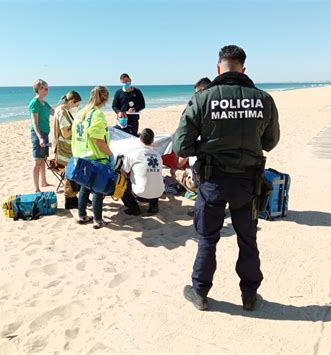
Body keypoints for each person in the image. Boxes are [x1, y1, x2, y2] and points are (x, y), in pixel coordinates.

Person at [173, 45, 280, 311]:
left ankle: (200, 291)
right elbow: (270, 142)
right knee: (247, 239)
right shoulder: (263, 99)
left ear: (219, 68)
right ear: (243, 68)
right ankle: (249, 294)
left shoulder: (203, 98)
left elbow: (181, 146)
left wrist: (206, 147)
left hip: (213, 181)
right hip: (248, 183)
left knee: (208, 238)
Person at [71, 86, 113, 229]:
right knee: (97, 189)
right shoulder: (97, 114)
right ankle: (98, 220)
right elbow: (97, 139)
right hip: (95, 157)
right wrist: (110, 154)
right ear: (105, 98)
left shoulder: (80, 113)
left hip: (80, 155)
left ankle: (81, 215)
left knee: (84, 185)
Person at [120, 128, 164, 215]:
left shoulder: (133, 154)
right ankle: (153, 206)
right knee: (153, 176)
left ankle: (133, 208)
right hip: (158, 193)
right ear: (152, 140)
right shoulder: (158, 155)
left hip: (141, 194)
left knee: (122, 183)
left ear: (140, 139)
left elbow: (124, 172)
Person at [52, 91, 82, 209]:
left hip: (66, 148)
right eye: (76, 104)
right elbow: (65, 133)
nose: (77, 107)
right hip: (64, 149)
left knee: (70, 174)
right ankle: (70, 201)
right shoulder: (62, 112)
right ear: (71, 102)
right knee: (69, 175)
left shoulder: (64, 110)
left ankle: (73, 198)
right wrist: (76, 126)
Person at [29, 79, 55, 192]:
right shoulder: (34, 103)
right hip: (37, 134)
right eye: (44, 88)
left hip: (45, 133)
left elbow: (53, 112)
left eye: (47, 89)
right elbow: (34, 122)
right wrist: (39, 137)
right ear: (38, 89)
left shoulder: (44, 102)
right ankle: (36, 188)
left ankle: (44, 182)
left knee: (43, 159)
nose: (46, 91)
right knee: (37, 162)